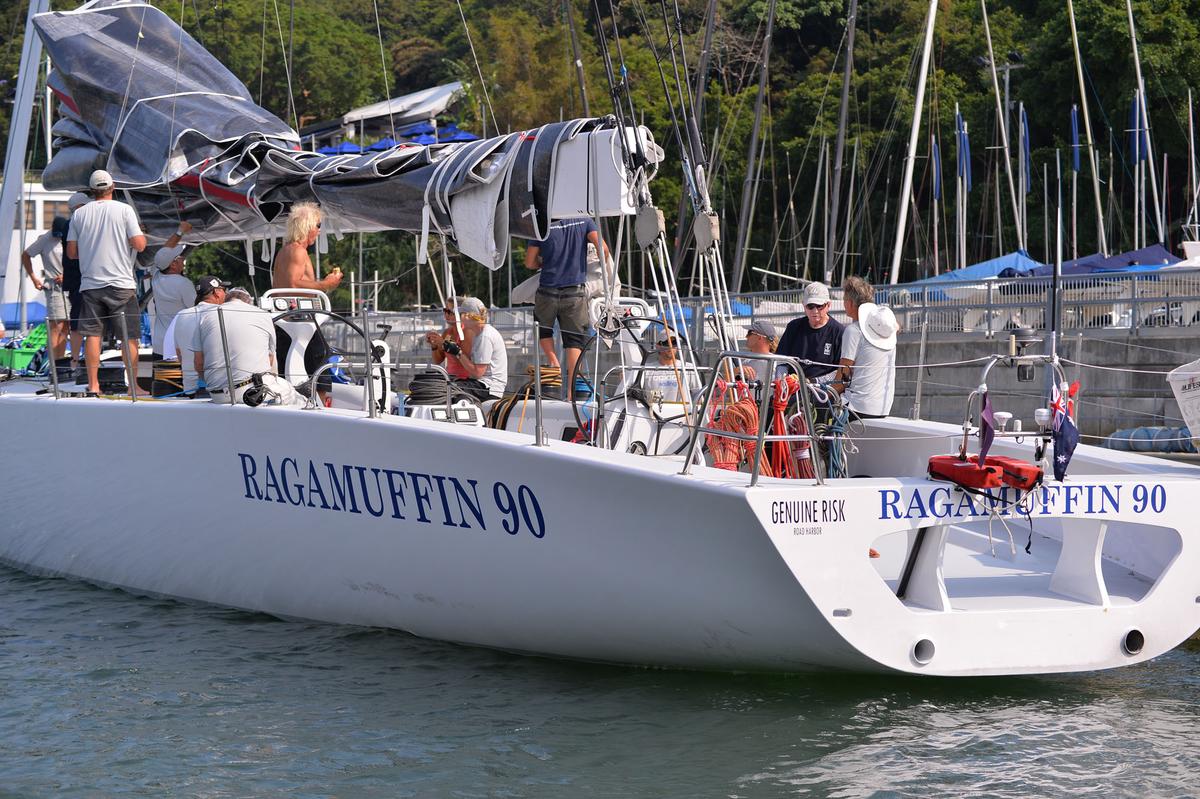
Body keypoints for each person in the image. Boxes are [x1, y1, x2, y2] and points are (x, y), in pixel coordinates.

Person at [65, 170, 147, 396]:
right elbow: (139, 245)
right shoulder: (124, 210)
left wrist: (92, 249)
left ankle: (93, 385)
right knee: (128, 337)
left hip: (91, 284)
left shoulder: (79, 215)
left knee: (93, 335)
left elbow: (72, 252)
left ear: (92, 191)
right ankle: (133, 386)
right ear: (112, 188)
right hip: (121, 284)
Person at [524, 217, 609, 395]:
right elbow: (604, 249)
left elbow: (529, 262)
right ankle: (572, 392)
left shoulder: (542, 225)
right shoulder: (584, 221)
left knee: (544, 329)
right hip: (574, 293)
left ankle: (553, 363)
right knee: (574, 341)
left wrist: (542, 263)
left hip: (547, 290)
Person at [271, 202, 342, 403]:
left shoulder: (286, 251)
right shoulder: (297, 251)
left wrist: (323, 284)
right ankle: (319, 407)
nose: (319, 231)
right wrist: (326, 283)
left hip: (287, 320)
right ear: (308, 226)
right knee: (320, 366)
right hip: (300, 320)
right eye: (318, 225)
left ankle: (300, 404)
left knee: (288, 369)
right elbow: (294, 283)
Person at [191, 281, 297, 406]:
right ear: (248, 302)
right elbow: (270, 361)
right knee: (291, 392)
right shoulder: (262, 314)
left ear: (226, 300)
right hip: (251, 393)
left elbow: (198, 363)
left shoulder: (205, 317)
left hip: (216, 395)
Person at [833, 276, 898, 418]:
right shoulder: (888, 332)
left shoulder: (853, 331)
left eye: (844, 300)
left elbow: (842, 379)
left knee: (814, 411)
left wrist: (823, 393)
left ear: (849, 303)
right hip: (883, 407)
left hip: (857, 407)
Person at [167, 275, 228, 397]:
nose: (226, 294)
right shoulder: (222, 313)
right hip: (218, 388)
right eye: (224, 290)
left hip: (189, 389)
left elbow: (179, 354)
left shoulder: (181, 315)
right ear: (216, 292)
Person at [21, 214, 71, 360]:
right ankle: (54, 365)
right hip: (55, 288)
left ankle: (61, 361)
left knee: (68, 326)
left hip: (71, 286)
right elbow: (26, 255)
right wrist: (34, 278)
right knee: (57, 325)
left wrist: (68, 275)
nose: (58, 238)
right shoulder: (45, 238)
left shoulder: (72, 235)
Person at [440, 297, 507, 400]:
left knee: (448, 390)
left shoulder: (485, 336)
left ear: (468, 316)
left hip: (489, 388)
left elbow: (477, 373)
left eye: (461, 315)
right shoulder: (480, 334)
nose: (459, 318)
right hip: (485, 384)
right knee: (446, 386)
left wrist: (457, 352)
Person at [777, 281, 844, 383]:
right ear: (803, 305)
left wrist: (813, 382)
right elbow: (781, 361)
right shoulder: (793, 327)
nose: (815, 310)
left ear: (828, 305)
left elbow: (840, 370)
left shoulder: (839, 332)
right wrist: (783, 381)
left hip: (823, 391)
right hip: (792, 388)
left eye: (819, 306)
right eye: (810, 306)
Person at [149, 233, 196, 358]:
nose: (183, 259)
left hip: (160, 346)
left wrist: (180, 232)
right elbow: (196, 310)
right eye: (180, 257)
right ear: (173, 265)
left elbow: (161, 257)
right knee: (182, 378)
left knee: (161, 378)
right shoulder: (183, 283)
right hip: (178, 348)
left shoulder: (156, 277)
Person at [58, 192, 89, 372]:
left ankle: (76, 359)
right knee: (84, 322)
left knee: (78, 320)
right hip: (81, 279)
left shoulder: (70, 224)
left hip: (75, 279)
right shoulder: (75, 224)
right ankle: (76, 360)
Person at [641, 332, 700, 404]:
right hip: (654, 414)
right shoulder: (646, 369)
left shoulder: (688, 368)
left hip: (682, 413)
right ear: (658, 346)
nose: (671, 347)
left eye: (674, 343)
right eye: (667, 343)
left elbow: (698, 395)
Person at [424, 298, 472, 379]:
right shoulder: (447, 333)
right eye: (445, 310)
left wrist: (443, 343)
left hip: (464, 380)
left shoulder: (467, 332)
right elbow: (438, 360)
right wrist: (434, 345)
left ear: (459, 313)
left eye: (449, 312)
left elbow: (465, 361)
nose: (446, 314)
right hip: (450, 378)